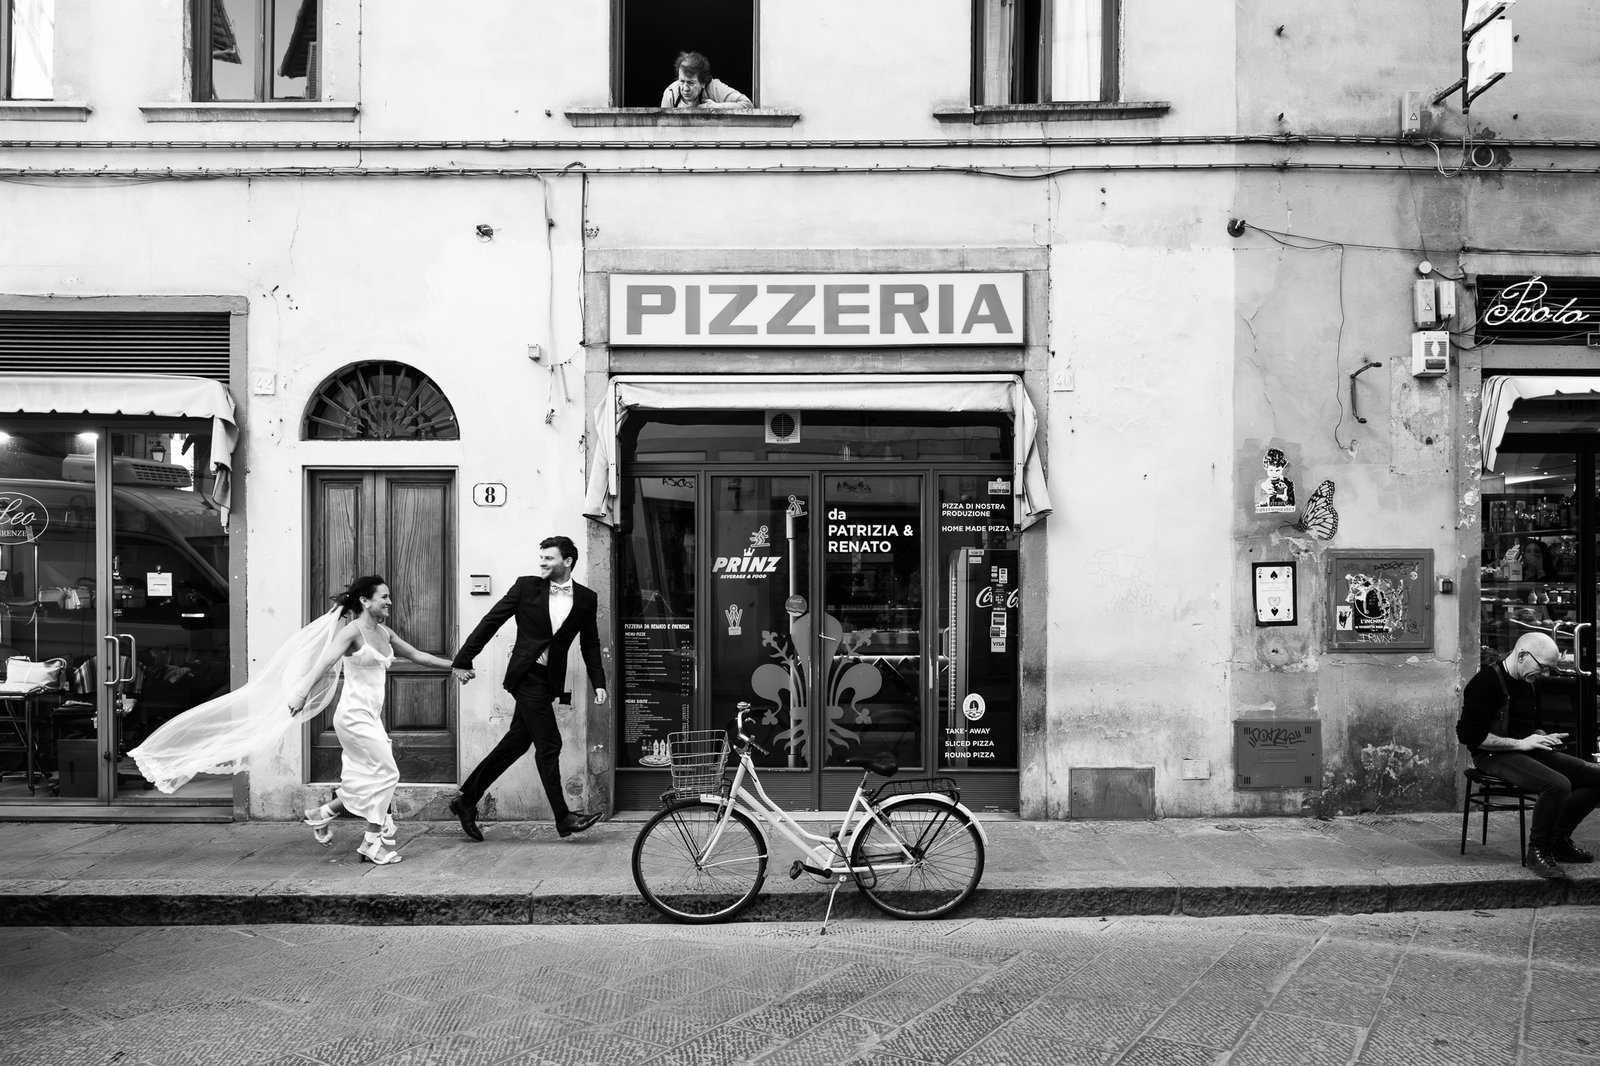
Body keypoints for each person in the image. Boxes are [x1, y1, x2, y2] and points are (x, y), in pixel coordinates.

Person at [288, 576, 458, 866]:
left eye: (389, 596)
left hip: (370, 717)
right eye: (383, 597)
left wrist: (458, 666)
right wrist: (301, 694)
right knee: (387, 774)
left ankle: (323, 813)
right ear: (365, 601)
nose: (389, 601)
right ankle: (372, 842)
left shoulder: (385, 633)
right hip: (353, 716)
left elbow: (419, 656)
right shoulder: (352, 632)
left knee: (367, 778)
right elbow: (325, 663)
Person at [448, 535, 609, 841]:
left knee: (517, 744)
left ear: (567, 561)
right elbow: (491, 621)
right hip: (525, 675)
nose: (542, 563)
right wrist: (463, 660)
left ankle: (466, 801)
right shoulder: (526, 586)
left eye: (549, 558)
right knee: (550, 744)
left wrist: (598, 682)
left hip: (548, 681)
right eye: (542, 558)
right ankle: (564, 818)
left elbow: (590, 643)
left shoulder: (586, 598)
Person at [1457, 631, 1600, 879]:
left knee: (1597, 777)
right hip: (1492, 756)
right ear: (1523, 655)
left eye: (1548, 669)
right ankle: (1539, 852)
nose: (1544, 674)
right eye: (1543, 667)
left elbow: (1530, 724)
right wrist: (1521, 743)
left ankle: (1558, 839)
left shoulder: (1530, 682)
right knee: (1557, 785)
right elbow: (1469, 735)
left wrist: (1542, 735)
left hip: (1527, 748)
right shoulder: (1486, 682)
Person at [660, 51, 752, 109]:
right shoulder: (671, 93)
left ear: (703, 82)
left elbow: (747, 105)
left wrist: (717, 107)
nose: (685, 88)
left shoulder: (713, 88)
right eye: (682, 81)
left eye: (691, 83)